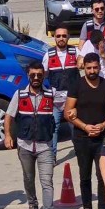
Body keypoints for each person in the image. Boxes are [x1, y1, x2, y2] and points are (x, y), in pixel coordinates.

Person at [64, 53, 105, 209]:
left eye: (95, 67)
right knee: (84, 174)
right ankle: (86, 208)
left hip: (103, 138)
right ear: (84, 68)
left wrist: (103, 125)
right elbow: (68, 112)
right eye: (89, 68)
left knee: (103, 175)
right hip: (82, 137)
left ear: (99, 67)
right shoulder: (76, 86)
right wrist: (85, 127)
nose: (92, 71)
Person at [4, 61, 61, 209]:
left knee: (47, 181)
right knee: (28, 179)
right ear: (28, 75)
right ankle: (32, 206)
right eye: (33, 75)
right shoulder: (19, 94)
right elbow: (9, 116)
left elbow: (68, 107)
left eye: (39, 75)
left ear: (44, 76)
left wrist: (73, 114)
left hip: (45, 146)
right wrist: (7, 135)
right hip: (25, 145)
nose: (36, 78)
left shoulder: (52, 94)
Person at [42, 25, 79, 160]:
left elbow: (83, 65)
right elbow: (42, 75)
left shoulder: (75, 51)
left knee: (74, 127)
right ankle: (52, 157)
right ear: (54, 38)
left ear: (68, 37)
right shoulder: (48, 55)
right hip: (56, 99)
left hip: (72, 99)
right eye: (58, 36)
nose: (61, 38)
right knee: (54, 128)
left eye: (64, 36)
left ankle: (80, 151)